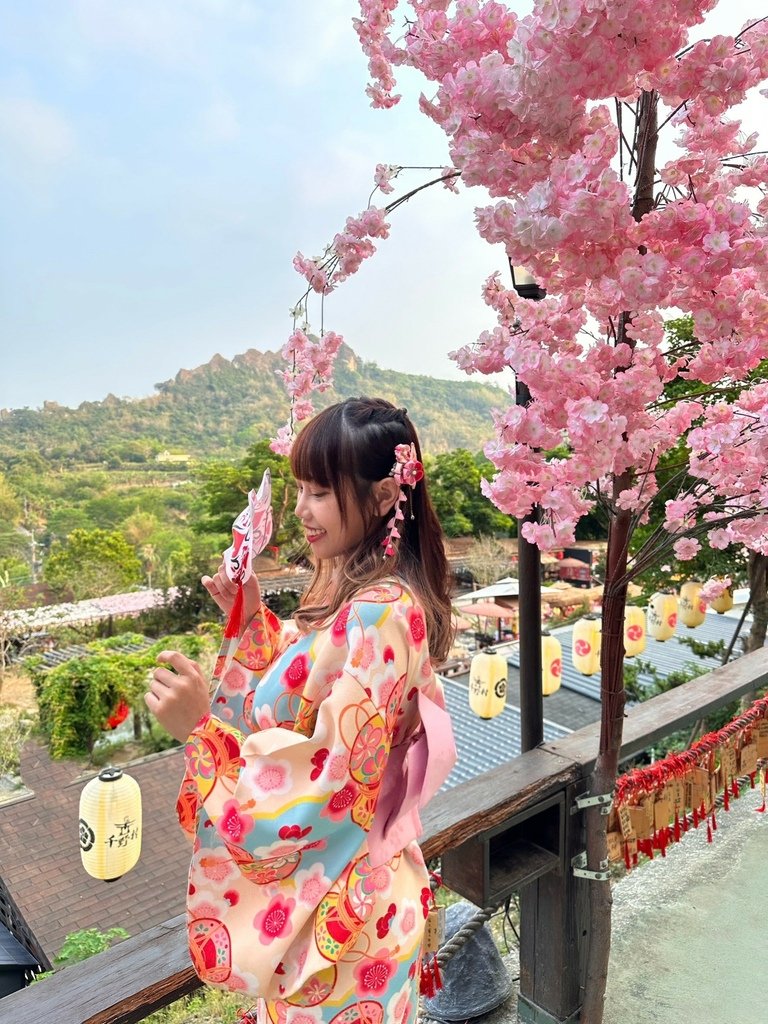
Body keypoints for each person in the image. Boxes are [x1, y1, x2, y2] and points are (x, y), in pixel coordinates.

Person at [146, 397, 457, 1024]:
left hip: (343, 934)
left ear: (381, 497)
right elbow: (308, 692)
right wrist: (252, 613)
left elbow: (331, 785)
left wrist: (205, 735)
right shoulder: (369, 599)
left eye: (318, 491)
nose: (301, 510)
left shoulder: (378, 611)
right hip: (361, 906)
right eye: (298, 489)